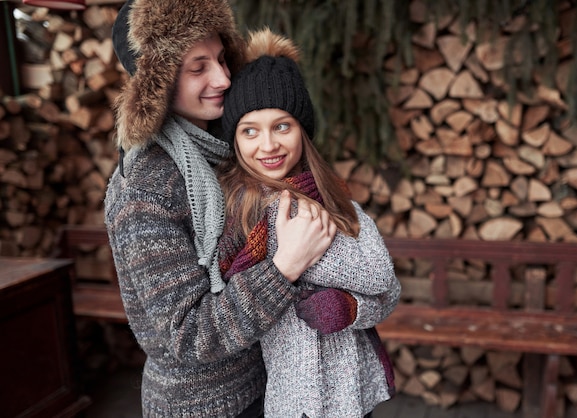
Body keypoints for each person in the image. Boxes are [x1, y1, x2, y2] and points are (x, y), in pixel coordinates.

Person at [105, 1, 338, 416]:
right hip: (204, 406)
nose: (224, 77)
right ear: (156, 83)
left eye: (221, 59)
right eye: (198, 68)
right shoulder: (145, 189)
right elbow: (186, 337)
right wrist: (284, 268)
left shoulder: (225, 151)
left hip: (266, 386)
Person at [218, 28, 401, 418]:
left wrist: (352, 309)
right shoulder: (246, 214)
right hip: (295, 398)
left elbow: (388, 287)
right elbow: (377, 271)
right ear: (235, 140)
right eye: (250, 131)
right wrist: (294, 254)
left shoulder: (334, 198)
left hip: (352, 391)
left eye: (281, 126)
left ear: (302, 130)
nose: (267, 145)